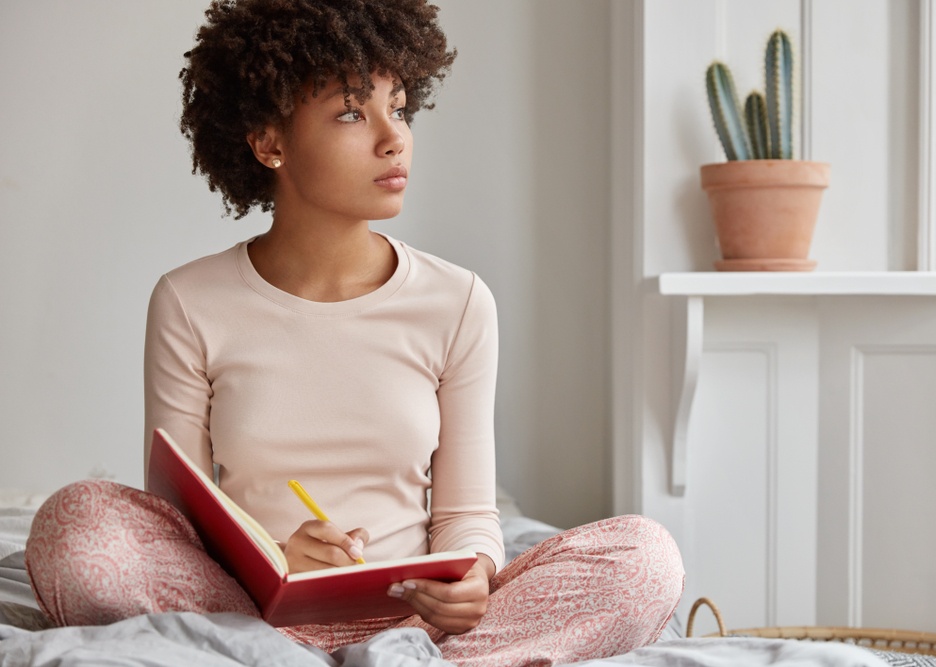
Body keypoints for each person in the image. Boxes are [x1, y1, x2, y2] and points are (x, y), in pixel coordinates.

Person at [24, 1, 685, 665]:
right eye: (350, 111)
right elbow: (179, 523)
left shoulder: (458, 302)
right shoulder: (189, 301)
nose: (393, 136)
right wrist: (275, 558)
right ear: (269, 141)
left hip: (418, 622)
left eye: (397, 107)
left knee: (645, 560)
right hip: (249, 611)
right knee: (74, 527)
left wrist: (477, 576)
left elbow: (466, 515)